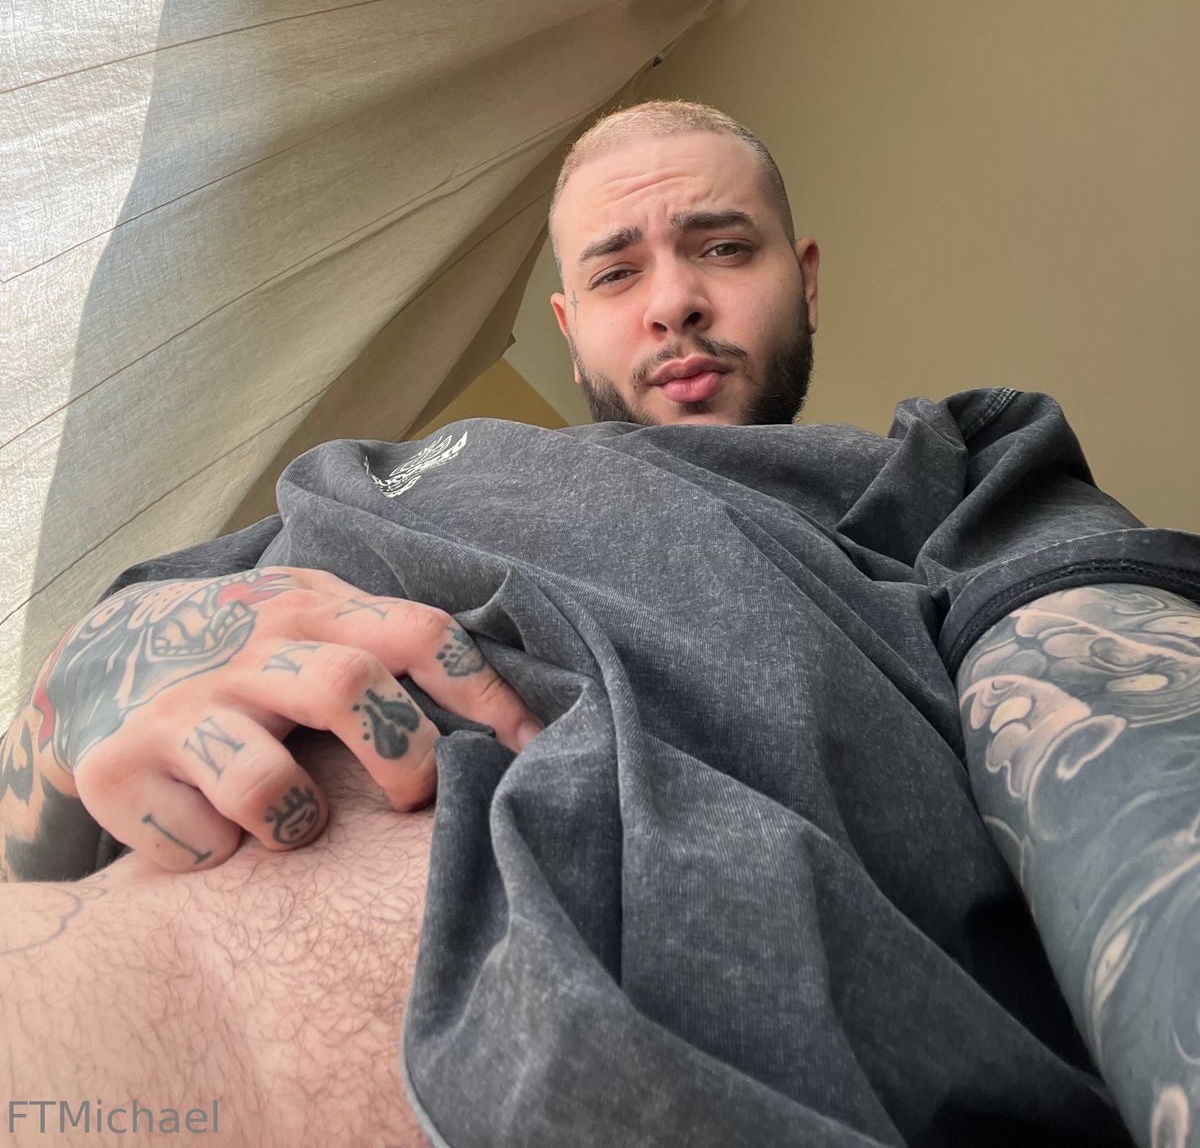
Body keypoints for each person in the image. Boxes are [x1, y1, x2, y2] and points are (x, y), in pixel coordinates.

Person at [3, 98, 1199, 1148]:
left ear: (805, 277)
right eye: (618, 273)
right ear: (570, 327)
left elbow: (1135, 763)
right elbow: (43, 768)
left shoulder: (949, 470)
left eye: (723, 246)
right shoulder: (354, 482)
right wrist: (110, 672)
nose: (675, 300)